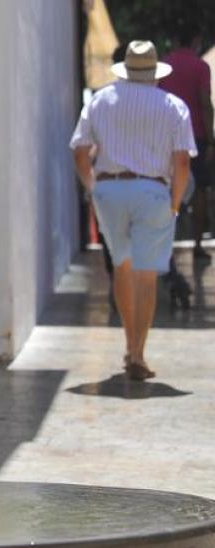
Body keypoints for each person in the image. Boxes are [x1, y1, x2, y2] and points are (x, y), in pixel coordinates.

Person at [71, 40, 196, 380]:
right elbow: (182, 162)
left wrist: (93, 189)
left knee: (122, 267)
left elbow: (80, 151)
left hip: (109, 189)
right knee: (146, 274)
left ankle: (130, 346)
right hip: (153, 190)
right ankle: (137, 352)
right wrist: (175, 202)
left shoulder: (101, 100)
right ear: (155, 72)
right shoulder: (173, 106)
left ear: (125, 69)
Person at [160, 24, 214, 260]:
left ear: (175, 41)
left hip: (168, 137)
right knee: (200, 189)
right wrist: (211, 140)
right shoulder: (200, 66)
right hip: (197, 135)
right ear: (196, 40)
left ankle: (167, 245)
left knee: (168, 188)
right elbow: (205, 102)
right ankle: (198, 244)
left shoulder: (164, 65)